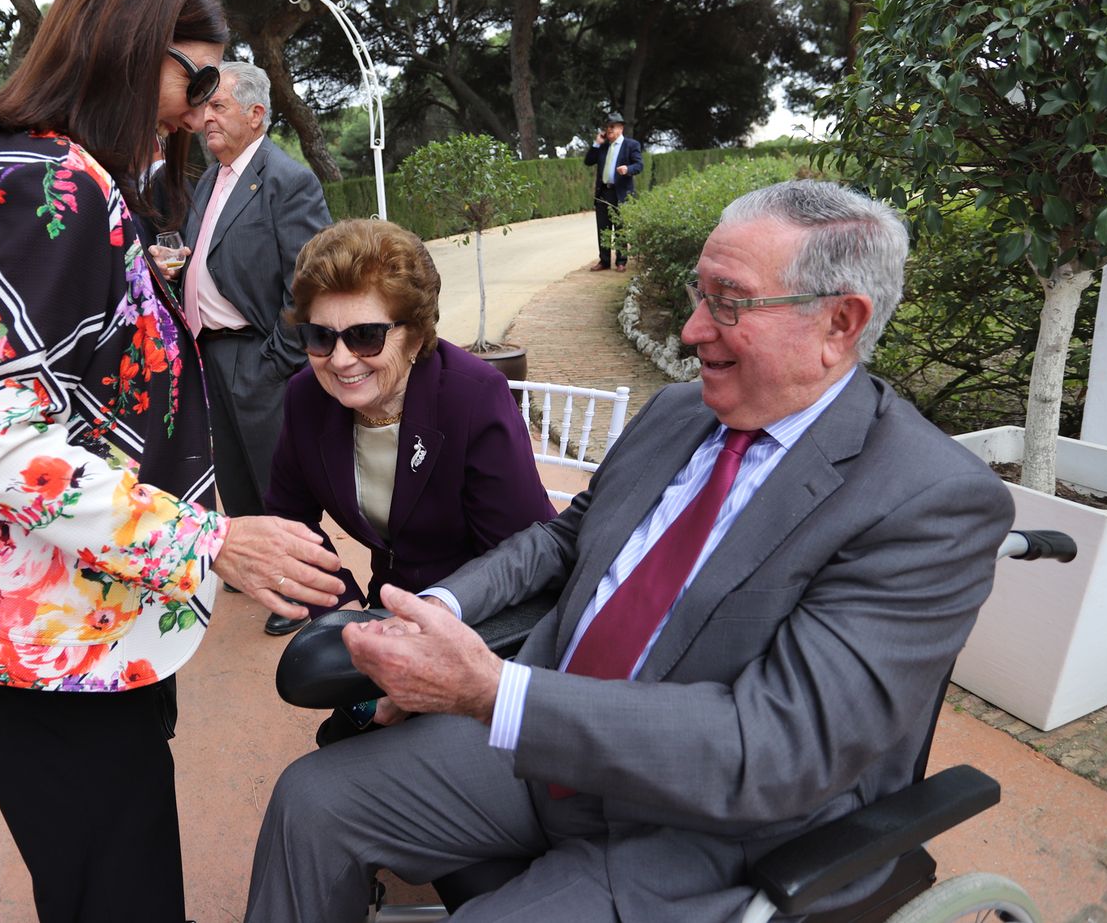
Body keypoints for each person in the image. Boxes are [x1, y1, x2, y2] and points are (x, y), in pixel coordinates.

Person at [244, 180, 1016, 923]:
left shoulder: (929, 500)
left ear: (840, 324)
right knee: (311, 802)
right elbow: (560, 537)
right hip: (538, 753)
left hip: (691, 832)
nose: (690, 329)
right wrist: (437, 610)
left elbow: (775, 748)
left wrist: (492, 691)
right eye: (696, 292)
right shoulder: (680, 412)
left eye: (729, 302)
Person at [0, 0, 343, 923]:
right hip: (45, 633)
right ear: (131, 47)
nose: (199, 106)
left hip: (2, 622)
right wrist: (212, 538)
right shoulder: (51, 187)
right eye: (193, 75)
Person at [265, 218, 558, 736]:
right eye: (319, 336)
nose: (339, 359)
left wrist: (422, 657)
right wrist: (347, 623)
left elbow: (525, 559)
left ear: (417, 335)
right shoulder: (307, 399)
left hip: (486, 627)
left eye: (365, 337)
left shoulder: (472, 397)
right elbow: (290, 526)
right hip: (389, 615)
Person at [176, 60, 334, 635]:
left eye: (218, 107)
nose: (204, 119)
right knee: (236, 478)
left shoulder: (286, 178)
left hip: (258, 355)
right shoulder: (207, 179)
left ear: (256, 113)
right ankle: (255, 571)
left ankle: (309, 592)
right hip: (209, 355)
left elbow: (310, 279)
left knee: (278, 480)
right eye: (204, 109)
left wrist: (277, 361)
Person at [583, 111, 643, 270]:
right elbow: (588, 161)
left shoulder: (631, 145)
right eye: (607, 127)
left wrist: (628, 169)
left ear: (620, 128)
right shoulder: (602, 147)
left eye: (612, 126)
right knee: (603, 228)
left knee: (620, 228)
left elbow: (639, 165)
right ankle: (604, 261)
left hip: (621, 192)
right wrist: (596, 143)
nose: (608, 130)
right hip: (604, 192)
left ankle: (621, 261)